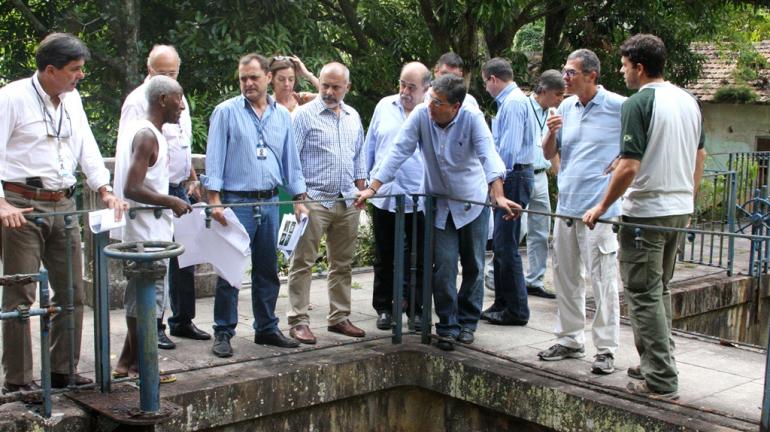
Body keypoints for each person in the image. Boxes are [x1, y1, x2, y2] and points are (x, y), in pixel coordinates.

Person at [356, 74, 521, 352]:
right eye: (430, 99)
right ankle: (447, 324)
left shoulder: (471, 117)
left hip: (472, 203)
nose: (430, 105)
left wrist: (499, 195)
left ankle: (467, 322)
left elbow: (488, 155)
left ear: (455, 106)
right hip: (438, 204)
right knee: (443, 267)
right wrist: (373, 188)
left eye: (438, 102)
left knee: (474, 266)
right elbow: (398, 151)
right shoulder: (422, 115)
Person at [0, 32, 127, 392]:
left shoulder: (72, 100)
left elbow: (86, 145)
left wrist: (104, 188)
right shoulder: (11, 98)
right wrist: (2, 203)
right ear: (50, 70)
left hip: (64, 203)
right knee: (20, 293)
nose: (80, 76)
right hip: (22, 204)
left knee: (72, 292)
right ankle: (18, 380)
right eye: (75, 69)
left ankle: (61, 369)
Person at [583, 34, 706, 399]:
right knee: (659, 290)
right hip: (677, 210)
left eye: (623, 65)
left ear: (639, 66)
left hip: (647, 213)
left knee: (643, 294)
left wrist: (602, 206)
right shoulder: (689, 100)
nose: (622, 72)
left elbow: (630, 167)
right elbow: (699, 157)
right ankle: (656, 362)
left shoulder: (638, 103)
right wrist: (689, 201)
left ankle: (662, 379)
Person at [203, 53, 307, 357]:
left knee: (267, 269)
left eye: (253, 77)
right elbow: (214, 157)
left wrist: (299, 200)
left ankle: (266, 328)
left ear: (268, 78)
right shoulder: (226, 112)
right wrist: (214, 200)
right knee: (230, 269)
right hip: (237, 202)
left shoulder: (281, 116)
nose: (247, 83)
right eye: (242, 78)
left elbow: (292, 162)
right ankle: (223, 331)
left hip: (271, 200)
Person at [118, 44, 210, 350]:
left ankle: (176, 323)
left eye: (174, 73)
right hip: (151, 203)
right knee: (149, 279)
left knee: (179, 263)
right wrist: (168, 200)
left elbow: (179, 147)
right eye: (164, 74)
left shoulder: (169, 111)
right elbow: (131, 174)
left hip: (174, 190)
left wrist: (191, 179)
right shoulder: (141, 115)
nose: (182, 106)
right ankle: (145, 342)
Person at [539, 49, 625, 375]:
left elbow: (641, 142)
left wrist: (623, 160)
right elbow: (549, 153)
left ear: (591, 75)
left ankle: (605, 349)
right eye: (564, 71)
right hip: (566, 205)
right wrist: (551, 131)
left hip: (599, 210)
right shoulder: (564, 107)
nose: (565, 77)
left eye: (571, 72)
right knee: (565, 276)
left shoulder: (618, 106)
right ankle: (571, 339)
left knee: (602, 281)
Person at [112, 75, 192, 381]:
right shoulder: (146, 136)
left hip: (152, 228)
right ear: (163, 100)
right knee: (149, 298)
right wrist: (170, 200)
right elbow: (131, 187)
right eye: (179, 98)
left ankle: (125, 362)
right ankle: (144, 366)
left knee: (145, 296)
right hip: (147, 231)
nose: (182, 106)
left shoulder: (152, 133)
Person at [287, 62, 367, 345]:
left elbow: (359, 157)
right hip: (314, 200)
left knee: (342, 263)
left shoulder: (352, 116)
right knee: (302, 262)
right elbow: (291, 160)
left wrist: (362, 190)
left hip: (346, 200)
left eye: (336, 87)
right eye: (325, 85)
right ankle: (298, 320)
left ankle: (339, 317)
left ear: (347, 88)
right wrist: (299, 199)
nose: (329, 92)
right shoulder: (304, 116)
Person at [364, 62, 430, 331]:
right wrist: (367, 183)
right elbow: (370, 146)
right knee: (384, 254)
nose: (404, 91)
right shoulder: (384, 106)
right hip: (384, 193)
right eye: (402, 84)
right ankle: (384, 307)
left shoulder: (430, 112)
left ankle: (416, 309)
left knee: (420, 256)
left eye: (411, 87)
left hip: (419, 194)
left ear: (426, 88)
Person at [479, 58, 534, 326]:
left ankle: (516, 309)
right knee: (501, 246)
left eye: (485, 83)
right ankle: (502, 303)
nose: (486, 89)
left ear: (492, 79)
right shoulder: (513, 102)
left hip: (512, 177)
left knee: (506, 245)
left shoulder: (512, 104)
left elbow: (508, 152)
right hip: (513, 177)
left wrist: (495, 182)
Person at [520, 70, 565, 299]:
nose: (560, 99)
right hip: (521, 173)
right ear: (544, 90)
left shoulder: (554, 112)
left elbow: (553, 147)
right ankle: (494, 274)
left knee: (540, 229)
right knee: (517, 229)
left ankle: (534, 280)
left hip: (540, 175)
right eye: (558, 94)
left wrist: (559, 174)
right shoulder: (522, 106)